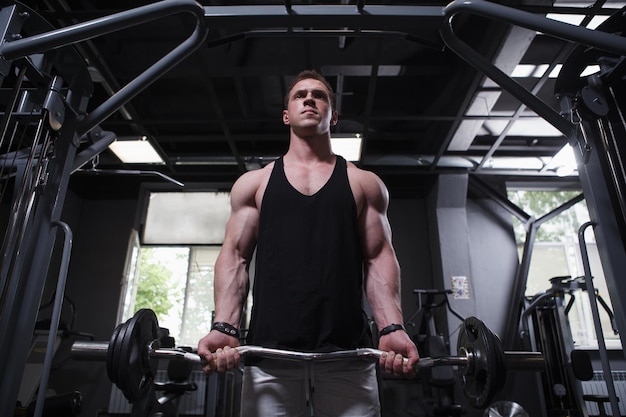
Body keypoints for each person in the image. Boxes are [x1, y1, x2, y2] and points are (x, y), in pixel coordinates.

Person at [198, 69, 419, 417]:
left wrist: (392, 328)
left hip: (348, 357)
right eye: (300, 95)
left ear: (334, 114)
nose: (310, 99)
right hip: (270, 358)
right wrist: (225, 327)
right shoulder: (254, 183)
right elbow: (235, 257)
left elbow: (378, 259)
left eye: (320, 95)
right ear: (286, 114)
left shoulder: (364, 183)